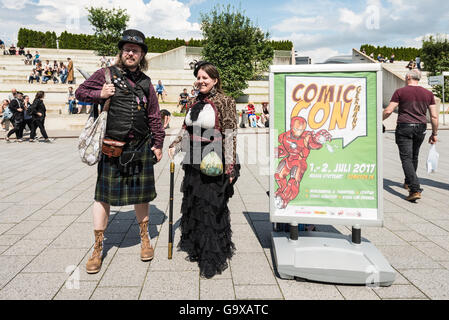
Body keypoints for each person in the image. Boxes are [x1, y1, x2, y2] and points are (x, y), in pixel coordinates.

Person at [75, 29, 165, 274]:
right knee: (102, 197)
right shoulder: (105, 74)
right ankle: (97, 247)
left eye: (135, 50)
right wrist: (99, 94)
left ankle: (144, 238)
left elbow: (154, 116)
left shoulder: (146, 82)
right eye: (127, 49)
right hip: (112, 147)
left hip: (140, 146)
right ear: (121, 52)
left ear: (142, 54)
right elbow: (80, 92)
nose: (130, 53)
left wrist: (158, 143)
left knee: (142, 196)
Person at [168, 61, 240, 279]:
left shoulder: (225, 101)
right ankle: (196, 246)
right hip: (193, 158)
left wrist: (230, 167)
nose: (200, 81)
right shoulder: (194, 101)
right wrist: (175, 143)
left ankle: (211, 255)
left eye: (205, 78)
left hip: (213, 158)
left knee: (211, 206)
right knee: (194, 203)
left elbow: (230, 133)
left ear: (215, 80)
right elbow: (185, 127)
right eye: (198, 77)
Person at [383, 69, 438, 202]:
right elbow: (434, 116)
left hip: (404, 127)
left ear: (408, 76)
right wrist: (434, 133)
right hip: (421, 127)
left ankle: (414, 189)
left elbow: (389, 110)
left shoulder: (400, 92)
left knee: (406, 158)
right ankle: (408, 182)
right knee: (414, 155)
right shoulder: (428, 93)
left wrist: (379, 120)